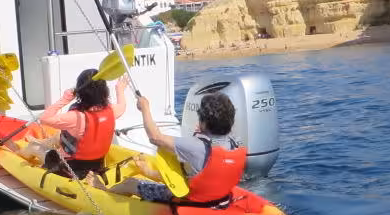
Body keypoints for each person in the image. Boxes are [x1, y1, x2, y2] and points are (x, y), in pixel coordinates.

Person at [109, 91, 247, 206]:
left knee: (130, 183)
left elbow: (155, 137)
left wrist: (145, 108)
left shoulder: (194, 146)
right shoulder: (234, 143)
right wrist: (203, 132)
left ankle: (101, 190)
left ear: (203, 122)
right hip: (221, 198)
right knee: (187, 167)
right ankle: (150, 173)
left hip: (191, 201)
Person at [19, 67, 130, 178]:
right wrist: (119, 88)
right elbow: (122, 106)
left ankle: (17, 153)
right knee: (59, 135)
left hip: (69, 168)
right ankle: (40, 141)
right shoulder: (113, 110)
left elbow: (44, 119)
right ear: (104, 90)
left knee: (33, 147)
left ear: (80, 92)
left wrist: (65, 98)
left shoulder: (75, 117)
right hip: (97, 164)